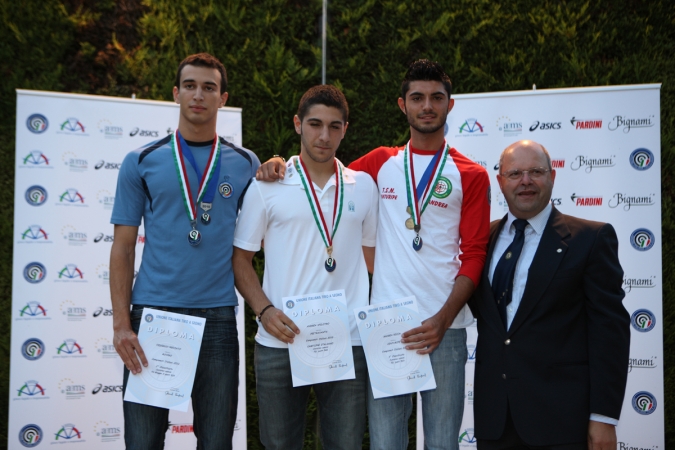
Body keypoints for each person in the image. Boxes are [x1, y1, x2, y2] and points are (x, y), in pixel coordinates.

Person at [257, 60, 491, 450]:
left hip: (446, 330)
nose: (427, 106)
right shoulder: (380, 163)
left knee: (443, 444)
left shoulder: (471, 174)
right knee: (385, 444)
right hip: (387, 327)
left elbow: (475, 253)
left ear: (451, 105)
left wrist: (443, 317)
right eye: (417, 98)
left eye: (437, 97)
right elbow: (323, 173)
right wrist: (280, 163)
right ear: (403, 105)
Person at [110, 53, 259, 449]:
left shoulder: (246, 164)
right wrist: (122, 325)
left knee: (216, 443)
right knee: (142, 442)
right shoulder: (140, 161)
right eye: (190, 86)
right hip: (153, 317)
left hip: (218, 321)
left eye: (209, 87)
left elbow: (261, 233)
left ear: (222, 97)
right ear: (176, 93)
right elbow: (123, 249)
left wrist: (276, 167)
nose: (199, 95)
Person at [232, 85, 378, 450]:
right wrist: (264, 311)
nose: (324, 136)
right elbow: (239, 260)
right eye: (315, 124)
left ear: (345, 128)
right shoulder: (267, 185)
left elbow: (373, 262)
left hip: (346, 340)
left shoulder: (363, 187)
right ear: (298, 124)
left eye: (334, 126)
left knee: (344, 445)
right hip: (281, 340)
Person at [469, 140, 630, 450]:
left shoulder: (590, 239)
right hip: (495, 424)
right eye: (514, 173)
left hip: (563, 423)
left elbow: (609, 333)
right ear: (500, 182)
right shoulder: (481, 241)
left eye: (536, 171)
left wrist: (604, 417)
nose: (525, 181)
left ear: (552, 177)